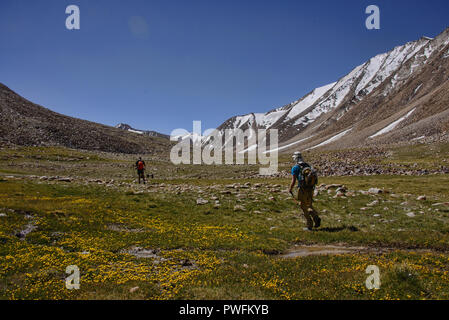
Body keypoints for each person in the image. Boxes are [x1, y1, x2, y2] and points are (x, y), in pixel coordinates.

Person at [288, 151, 321, 231]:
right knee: (309, 205)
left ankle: (309, 225)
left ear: (295, 158)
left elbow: (293, 180)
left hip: (302, 189)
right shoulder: (307, 165)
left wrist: (290, 189)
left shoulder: (295, 168)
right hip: (310, 189)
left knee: (303, 206)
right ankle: (316, 218)